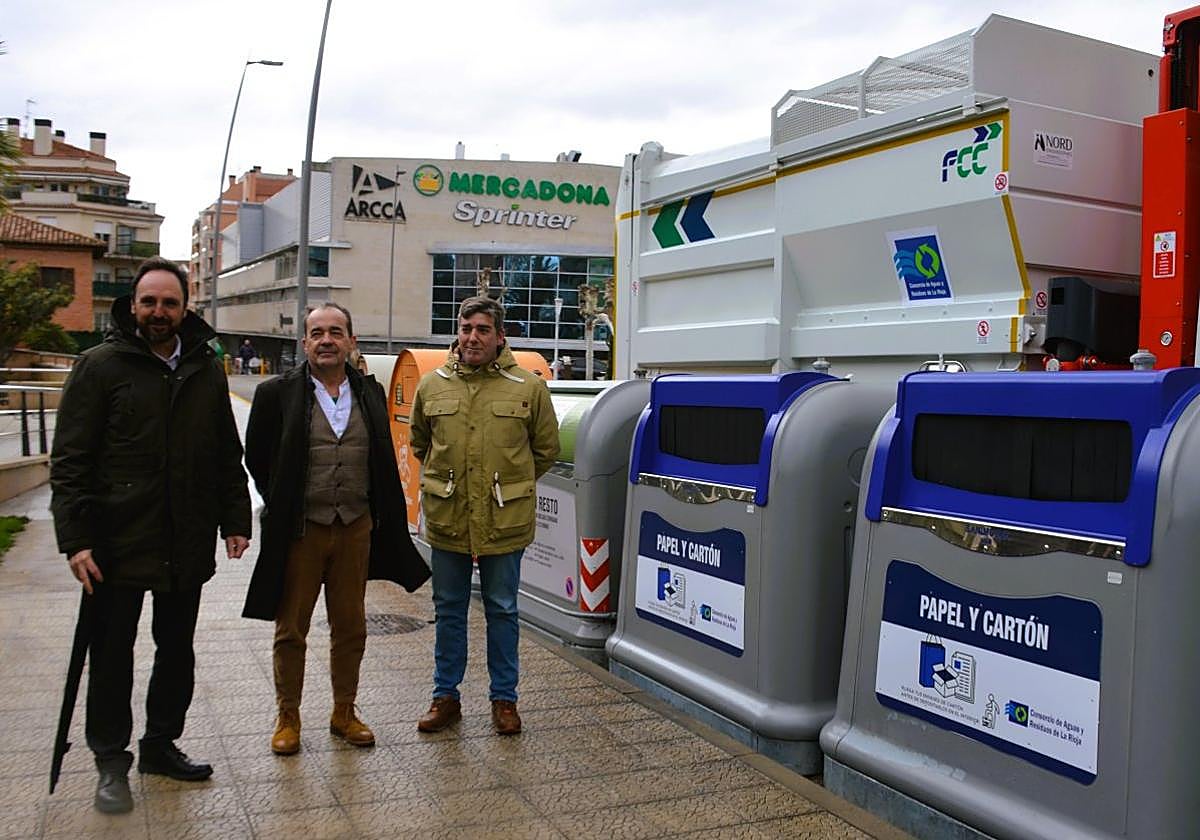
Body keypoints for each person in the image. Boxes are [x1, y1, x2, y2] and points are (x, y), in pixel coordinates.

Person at [50, 257, 251, 815]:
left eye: (169, 302)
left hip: (185, 538)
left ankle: (160, 745)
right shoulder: (99, 366)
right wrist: (76, 540)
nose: (159, 312)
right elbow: (70, 461)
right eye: (149, 302)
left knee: (176, 651)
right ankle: (111, 761)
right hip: (115, 543)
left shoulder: (206, 368)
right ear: (133, 306)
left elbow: (225, 452)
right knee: (111, 655)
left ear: (185, 308)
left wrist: (236, 520)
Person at [242, 302, 429, 755]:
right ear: (304, 342)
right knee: (291, 629)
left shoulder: (369, 391)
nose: (326, 340)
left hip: (354, 528)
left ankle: (344, 711)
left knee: (351, 627)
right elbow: (258, 458)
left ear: (351, 341)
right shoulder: (275, 393)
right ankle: (288, 717)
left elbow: (380, 455)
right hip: (301, 530)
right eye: (317, 333)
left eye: (336, 332)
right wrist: (285, 501)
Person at [411, 296, 559, 736]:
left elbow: (545, 450)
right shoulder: (432, 386)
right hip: (449, 517)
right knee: (448, 609)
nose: (472, 337)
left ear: (500, 337)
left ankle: (504, 700)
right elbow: (421, 444)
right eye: (465, 328)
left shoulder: (527, 387)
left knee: (503, 609)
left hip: (503, 520)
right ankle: (445, 697)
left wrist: (510, 485)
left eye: (482, 329)